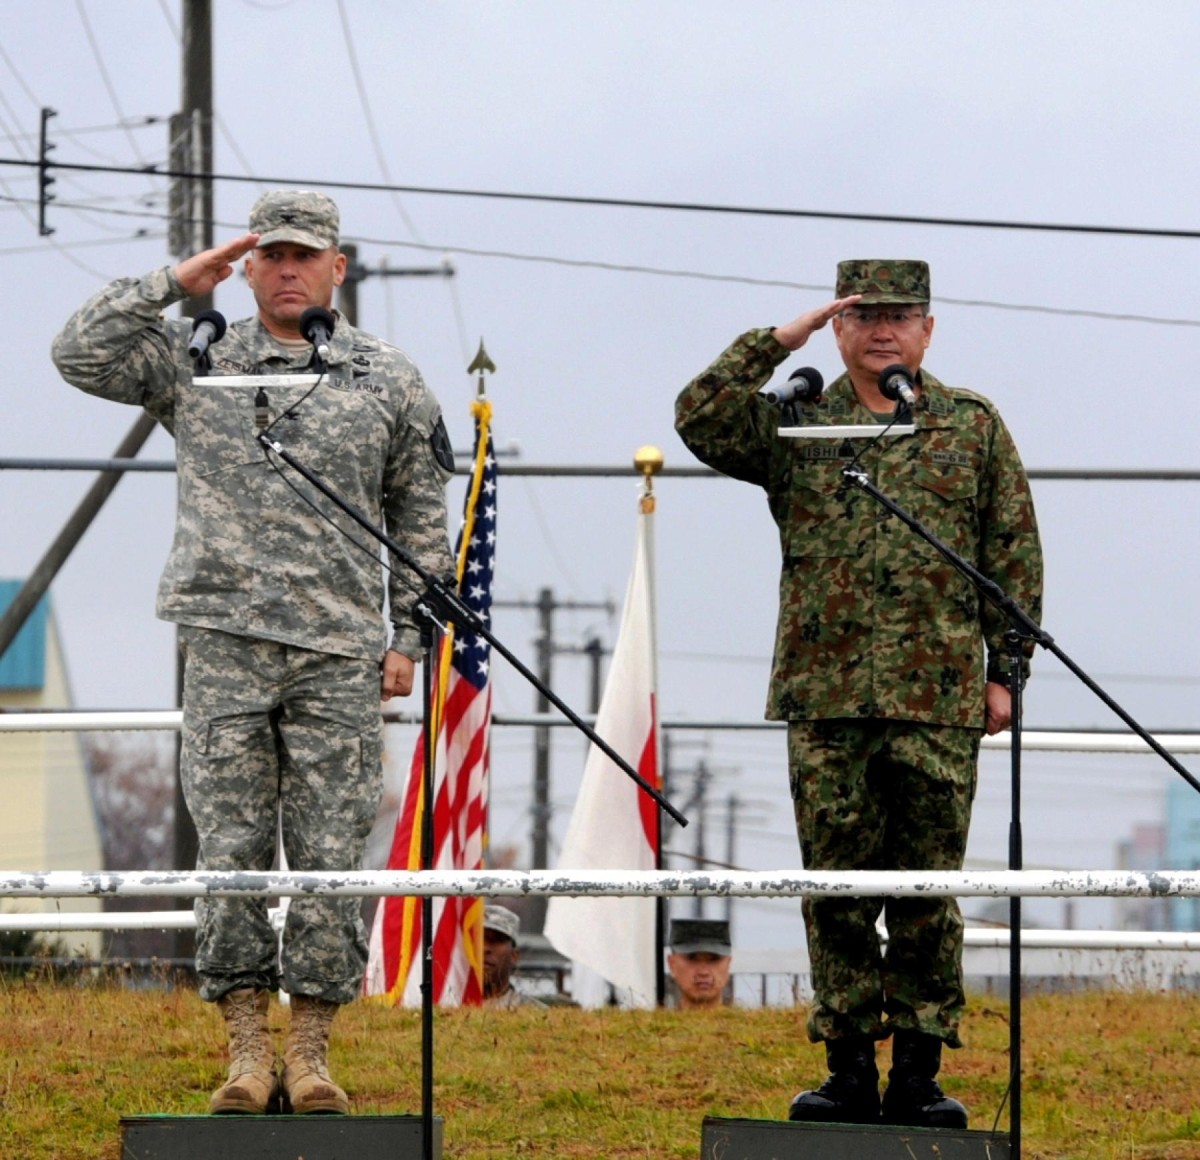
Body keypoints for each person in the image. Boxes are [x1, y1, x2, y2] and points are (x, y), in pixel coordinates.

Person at [51, 190, 455, 1116]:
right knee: (230, 847)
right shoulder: (200, 358)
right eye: (269, 253)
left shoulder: (385, 376)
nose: (285, 269)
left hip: (341, 651)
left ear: (336, 267)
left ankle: (310, 1051)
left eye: (303, 255)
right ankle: (245, 1048)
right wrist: (172, 283)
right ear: (249, 262)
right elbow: (78, 353)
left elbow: (419, 518)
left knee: (327, 851)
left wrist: (408, 642)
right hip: (226, 640)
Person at [674, 260, 1043, 1129]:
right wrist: (777, 340)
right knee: (836, 890)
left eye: (899, 315)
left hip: (937, 699)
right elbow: (698, 415)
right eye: (861, 315)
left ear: (928, 327)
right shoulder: (798, 420)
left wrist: (1005, 670)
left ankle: (917, 1075)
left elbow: (1012, 549)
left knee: (924, 893)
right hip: (827, 698)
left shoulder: (967, 426)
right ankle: (846, 1072)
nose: (882, 330)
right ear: (839, 328)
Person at [482, 904, 547, 1009]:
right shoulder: (447, 1005)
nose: (484, 948)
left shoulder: (535, 1015)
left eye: (496, 940)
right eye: (476, 939)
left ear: (514, 956)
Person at [666, 919, 733, 1010]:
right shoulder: (650, 1023)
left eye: (714, 959)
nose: (703, 972)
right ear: (672, 964)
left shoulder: (747, 1023)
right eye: (692, 958)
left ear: (728, 964)